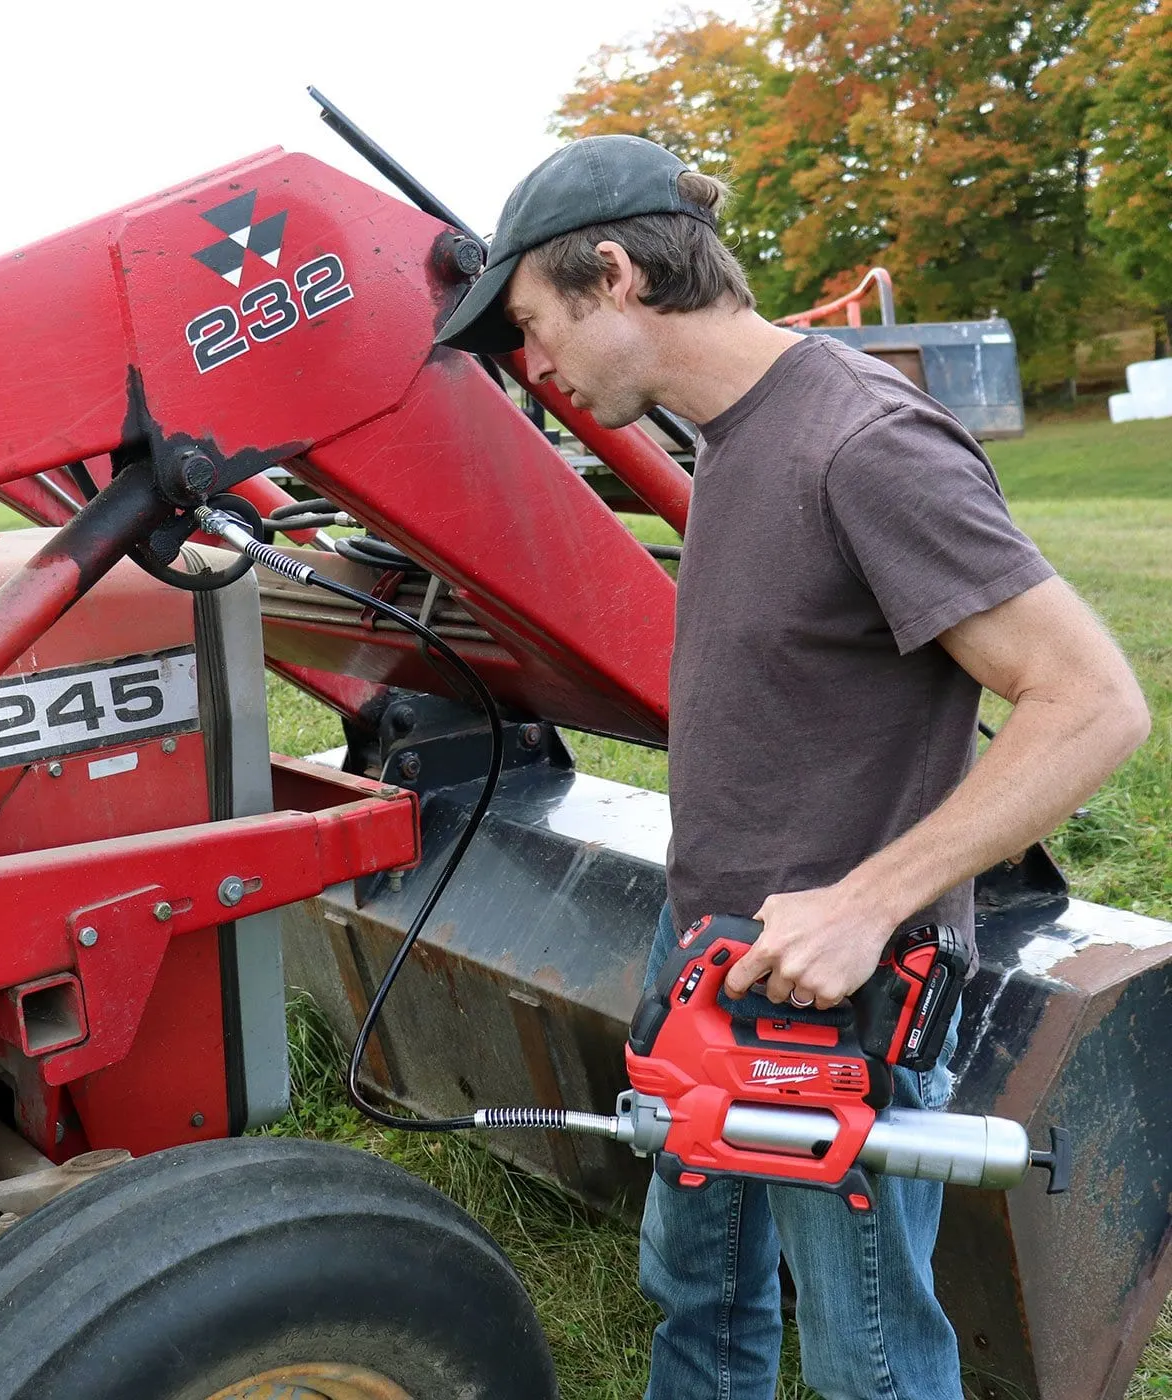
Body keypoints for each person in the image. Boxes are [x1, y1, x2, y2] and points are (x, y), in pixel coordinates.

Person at [434, 135, 1150, 1400]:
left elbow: (1091, 702)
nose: (530, 365)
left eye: (535, 325)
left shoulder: (861, 442)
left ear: (613, 274)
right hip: (706, 945)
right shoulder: (735, 431)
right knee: (696, 1290)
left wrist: (867, 901)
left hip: (839, 990)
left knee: (866, 1352)